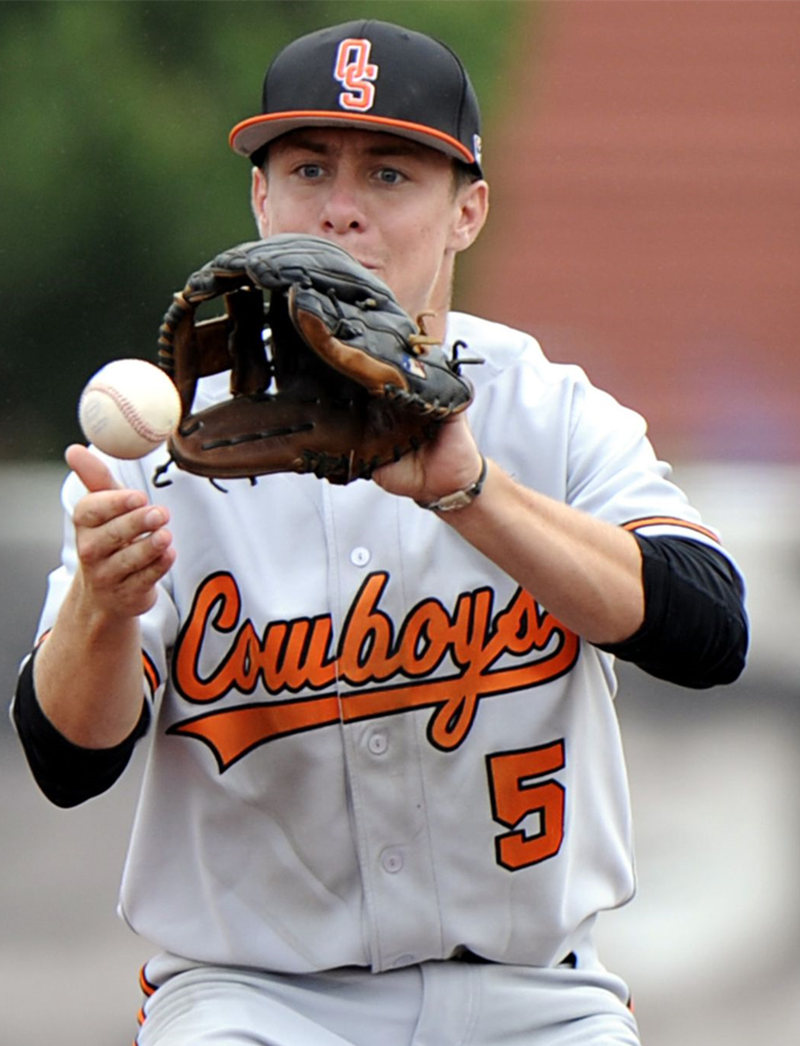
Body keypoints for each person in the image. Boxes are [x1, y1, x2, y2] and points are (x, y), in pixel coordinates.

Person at [12, 19, 747, 1046]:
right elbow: (66, 757)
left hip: (532, 997)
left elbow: (707, 627)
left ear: (466, 211)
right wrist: (104, 601)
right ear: (260, 198)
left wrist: (472, 491)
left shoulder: (548, 411)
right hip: (249, 996)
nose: (342, 211)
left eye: (390, 174)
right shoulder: (168, 437)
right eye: (308, 168)